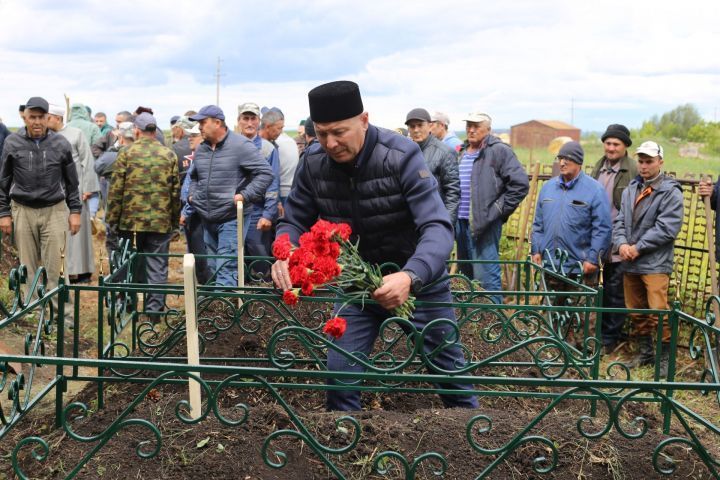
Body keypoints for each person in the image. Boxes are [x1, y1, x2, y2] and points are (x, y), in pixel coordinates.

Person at [271, 80, 477, 411]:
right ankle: (343, 446)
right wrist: (286, 250)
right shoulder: (312, 162)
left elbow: (437, 226)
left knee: (449, 373)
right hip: (358, 284)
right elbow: (293, 220)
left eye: (340, 132)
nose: (331, 143)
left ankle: (475, 437)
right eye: (322, 134)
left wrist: (411, 276)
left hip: (417, 282)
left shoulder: (400, 155)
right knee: (340, 376)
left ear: (364, 120)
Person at [0, 96, 81, 326]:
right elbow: (3, 182)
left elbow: (72, 182)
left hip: (54, 210)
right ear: (24, 117)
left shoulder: (60, 144)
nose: (36, 121)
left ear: (48, 118)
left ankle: (61, 317)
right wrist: (3, 213)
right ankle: (34, 314)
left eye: (41, 117)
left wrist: (75, 211)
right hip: (22, 210)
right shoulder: (12, 143)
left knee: (55, 265)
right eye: (32, 117)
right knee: (27, 267)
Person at [613, 141, 683, 376]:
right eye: (641, 161)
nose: (644, 166)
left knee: (658, 311)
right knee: (636, 309)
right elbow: (620, 220)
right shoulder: (631, 189)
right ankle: (646, 352)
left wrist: (637, 247)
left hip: (654, 262)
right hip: (631, 260)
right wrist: (622, 244)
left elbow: (667, 228)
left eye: (649, 161)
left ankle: (664, 357)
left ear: (660, 162)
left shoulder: (670, 192)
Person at [188, 105, 273, 287]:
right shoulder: (202, 149)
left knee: (226, 266)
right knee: (212, 266)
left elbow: (265, 173)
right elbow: (194, 176)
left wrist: (244, 195)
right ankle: (215, 309)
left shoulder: (240, 145)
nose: (200, 127)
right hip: (207, 217)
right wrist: (193, 195)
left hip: (231, 217)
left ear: (217, 123)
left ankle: (225, 311)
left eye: (203, 122)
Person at [106, 113, 179, 316]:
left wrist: (111, 220)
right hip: (160, 223)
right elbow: (175, 192)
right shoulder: (168, 154)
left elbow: (116, 190)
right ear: (155, 131)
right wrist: (174, 223)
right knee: (157, 266)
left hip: (130, 222)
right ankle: (154, 312)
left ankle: (127, 305)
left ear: (137, 130)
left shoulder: (127, 153)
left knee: (127, 262)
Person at [456, 112, 529, 303]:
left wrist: (496, 212)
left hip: (484, 224)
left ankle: (495, 327)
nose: (471, 130)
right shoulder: (462, 153)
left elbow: (520, 185)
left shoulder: (498, 151)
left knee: (486, 280)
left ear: (488, 129)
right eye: (468, 125)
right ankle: (471, 325)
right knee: (466, 280)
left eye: (476, 126)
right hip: (461, 223)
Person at [590, 124, 638, 353]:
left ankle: (610, 339)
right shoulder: (599, 167)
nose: (610, 148)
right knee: (598, 288)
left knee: (615, 291)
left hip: (621, 240)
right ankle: (597, 334)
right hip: (598, 238)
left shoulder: (633, 170)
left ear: (625, 146)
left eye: (616, 144)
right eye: (607, 143)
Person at [47, 104, 100, 283]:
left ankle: (84, 271)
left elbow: (87, 161)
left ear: (58, 118)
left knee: (79, 234)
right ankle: (63, 270)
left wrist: (87, 188)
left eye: (48, 117)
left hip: (76, 191)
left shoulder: (76, 134)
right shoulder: (46, 137)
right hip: (54, 194)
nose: (44, 121)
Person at [237, 102, 280, 279]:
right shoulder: (231, 146)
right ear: (238, 120)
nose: (249, 122)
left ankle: (263, 302)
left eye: (253, 118)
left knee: (260, 259)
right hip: (234, 211)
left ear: (258, 121)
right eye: (245, 118)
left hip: (257, 212)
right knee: (237, 259)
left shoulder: (267, 149)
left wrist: (268, 214)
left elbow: (273, 181)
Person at [405, 107, 460, 225]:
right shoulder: (405, 152)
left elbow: (452, 193)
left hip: (435, 220)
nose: (416, 130)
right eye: (412, 126)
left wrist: (446, 226)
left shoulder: (445, 152)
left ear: (430, 126)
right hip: (412, 223)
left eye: (420, 125)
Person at [95, 121, 135, 257]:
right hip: (137, 211)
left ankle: (118, 275)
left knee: (114, 244)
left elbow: (99, 166)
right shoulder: (142, 153)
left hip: (115, 209)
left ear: (121, 137)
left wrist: (115, 145)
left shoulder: (114, 155)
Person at [179, 123, 211, 284]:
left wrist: (186, 211)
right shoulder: (198, 154)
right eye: (189, 135)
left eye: (194, 135)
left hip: (198, 214)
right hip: (194, 213)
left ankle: (208, 292)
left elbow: (198, 188)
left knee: (201, 256)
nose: (189, 138)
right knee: (195, 255)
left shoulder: (203, 156)